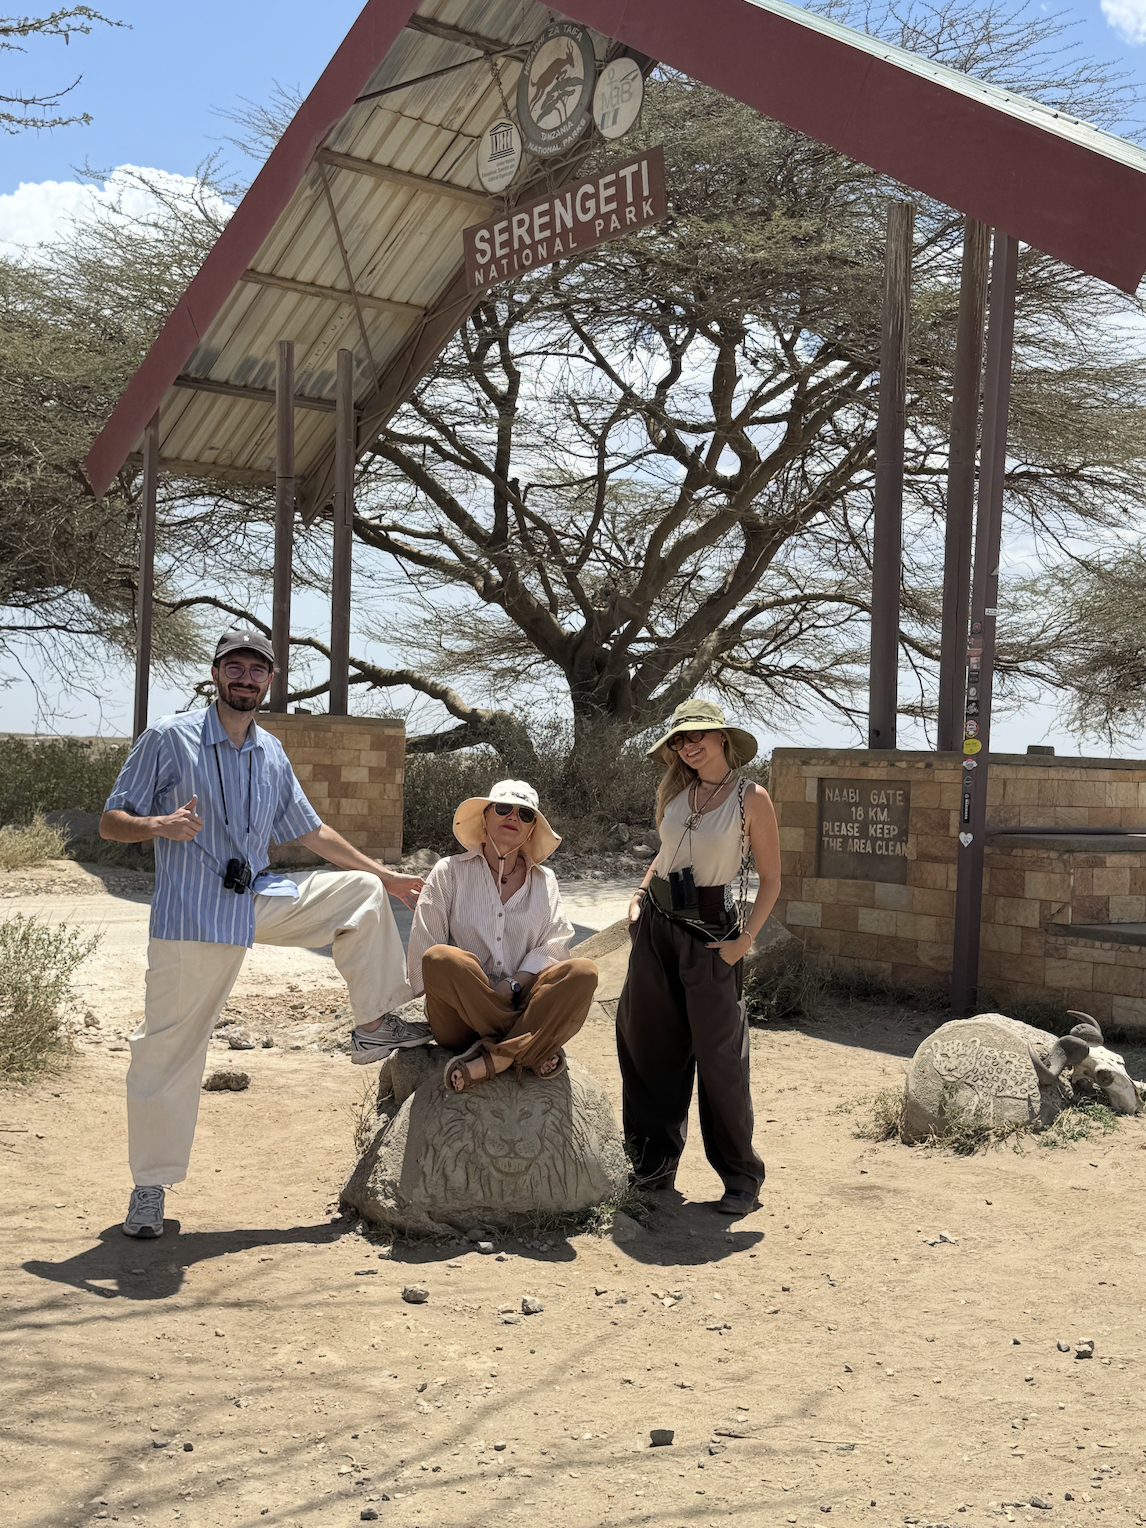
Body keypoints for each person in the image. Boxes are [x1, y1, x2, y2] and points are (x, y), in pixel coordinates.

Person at [100, 627, 426, 1239]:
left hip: (254, 900)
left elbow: (311, 830)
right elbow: (111, 821)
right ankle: (149, 1190)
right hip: (191, 920)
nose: (245, 678)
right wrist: (158, 825)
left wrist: (385, 875)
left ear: (270, 681)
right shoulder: (168, 737)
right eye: (235, 667)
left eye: (258, 669)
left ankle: (374, 1024)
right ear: (216, 673)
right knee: (166, 1053)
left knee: (357, 894)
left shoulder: (270, 752)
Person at [616, 699, 781, 1216]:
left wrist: (744, 941)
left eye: (698, 736)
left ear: (722, 739)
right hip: (657, 929)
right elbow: (665, 857)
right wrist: (640, 894)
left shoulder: (752, 797)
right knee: (648, 1046)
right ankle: (652, 1167)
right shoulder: (677, 792)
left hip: (712, 933)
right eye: (680, 740)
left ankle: (741, 1178)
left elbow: (772, 880)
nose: (689, 746)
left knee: (720, 1058)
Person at [402, 780, 598, 1091]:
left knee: (583, 971)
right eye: (504, 809)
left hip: (522, 1001)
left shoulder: (545, 880)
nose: (513, 818)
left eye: (525, 815)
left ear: (532, 830)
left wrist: (512, 984)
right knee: (440, 958)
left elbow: (555, 945)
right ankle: (527, 1044)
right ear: (485, 817)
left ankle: (500, 1057)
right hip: (461, 1016)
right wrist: (480, 993)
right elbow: (423, 955)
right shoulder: (448, 871)